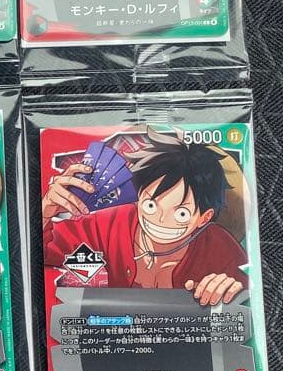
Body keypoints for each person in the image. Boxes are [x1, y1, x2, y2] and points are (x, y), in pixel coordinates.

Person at [43, 128, 248, 305]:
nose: (160, 220)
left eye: (181, 213)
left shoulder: (220, 249)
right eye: (150, 205)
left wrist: (231, 289)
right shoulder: (109, 224)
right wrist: (45, 212)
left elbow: (246, 296)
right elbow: (46, 251)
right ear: (138, 197)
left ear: (204, 217)